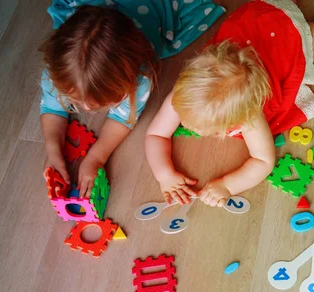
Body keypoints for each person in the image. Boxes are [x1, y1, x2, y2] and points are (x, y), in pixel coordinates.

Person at [145, 0, 314, 207]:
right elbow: (155, 133)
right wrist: (164, 175)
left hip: (285, 42)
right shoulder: (186, 95)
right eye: (183, 115)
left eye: (211, 131)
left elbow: (263, 161)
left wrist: (227, 185)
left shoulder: (250, 118)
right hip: (253, 25)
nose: (195, 131)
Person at [40, 1, 224, 197]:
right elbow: (51, 107)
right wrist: (53, 150)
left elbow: (122, 119)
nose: (85, 107)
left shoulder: (139, 77)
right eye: (74, 98)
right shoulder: (61, 71)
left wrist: (96, 158)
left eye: (101, 102)